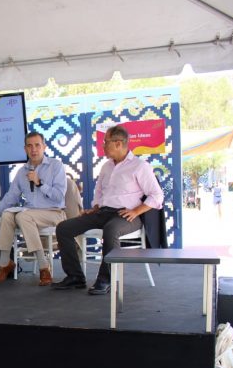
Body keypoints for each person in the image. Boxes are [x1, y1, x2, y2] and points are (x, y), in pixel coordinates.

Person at [53, 125, 164, 295]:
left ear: (119, 143)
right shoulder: (106, 166)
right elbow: (99, 191)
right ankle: (75, 277)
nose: (103, 146)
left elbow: (157, 195)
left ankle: (105, 279)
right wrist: (95, 206)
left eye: (106, 142)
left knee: (111, 229)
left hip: (126, 214)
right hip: (103, 212)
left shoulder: (140, 166)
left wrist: (136, 211)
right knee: (64, 228)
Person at [0, 132, 67, 286]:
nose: (34, 149)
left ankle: (44, 267)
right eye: (30, 146)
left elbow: (59, 197)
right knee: (7, 214)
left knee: (23, 216)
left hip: (54, 213)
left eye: (37, 145)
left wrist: (39, 183)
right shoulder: (22, 172)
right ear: (25, 149)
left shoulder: (56, 166)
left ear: (44, 147)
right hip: (30, 214)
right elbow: (9, 199)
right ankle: (4, 264)